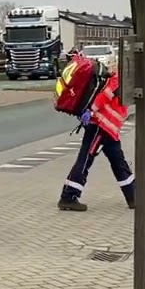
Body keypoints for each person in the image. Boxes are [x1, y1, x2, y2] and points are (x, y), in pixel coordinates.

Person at [54, 51, 135, 212]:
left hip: (107, 128)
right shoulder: (118, 79)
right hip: (100, 126)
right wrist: (91, 111)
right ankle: (69, 196)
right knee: (85, 159)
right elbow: (104, 96)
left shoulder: (117, 77)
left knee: (118, 161)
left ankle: (133, 196)